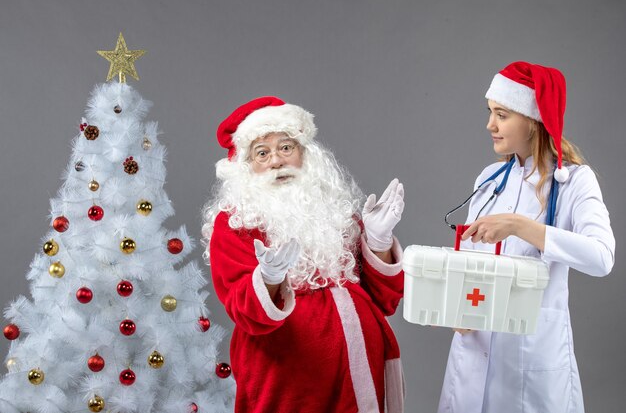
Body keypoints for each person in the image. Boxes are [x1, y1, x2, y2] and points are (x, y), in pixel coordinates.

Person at [202, 96, 405, 413]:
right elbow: (242, 309)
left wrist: (378, 241)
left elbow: (384, 300)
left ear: (305, 153)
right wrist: (268, 281)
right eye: (262, 153)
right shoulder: (234, 222)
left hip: (360, 370)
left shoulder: (333, 207)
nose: (276, 161)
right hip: (288, 378)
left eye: (286, 148)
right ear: (246, 166)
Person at [437, 61, 615, 413]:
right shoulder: (489, 179)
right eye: (490, 113)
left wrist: (523, 227)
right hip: (473, 349)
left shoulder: (575, 182)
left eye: (501, 115)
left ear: (533, 120)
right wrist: (455, 308)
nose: (490, 125)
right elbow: (472, 260)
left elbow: (602, 257)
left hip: (530, 356)